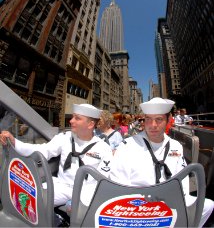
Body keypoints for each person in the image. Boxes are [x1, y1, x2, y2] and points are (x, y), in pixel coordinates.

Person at [110, 97, 214, 228]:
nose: (153, 125)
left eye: (158, 119)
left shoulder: (176, 146)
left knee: (207, 205)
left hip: (170, 201)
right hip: (137, 205)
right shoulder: (127, 146)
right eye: (148, 119)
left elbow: (182, 181)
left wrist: (173, 199)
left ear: (168, 121)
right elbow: (117, 185)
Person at [0, 103, 113, 207]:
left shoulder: (104, 148)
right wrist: (15, 142)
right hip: (61, 186)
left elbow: (103, 179)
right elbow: (43, 150)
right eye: (73, 117)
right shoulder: (64, 137)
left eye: (77, 118)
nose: (71, 121)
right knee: (24, 197)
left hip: (86, 192)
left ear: (90, 124)